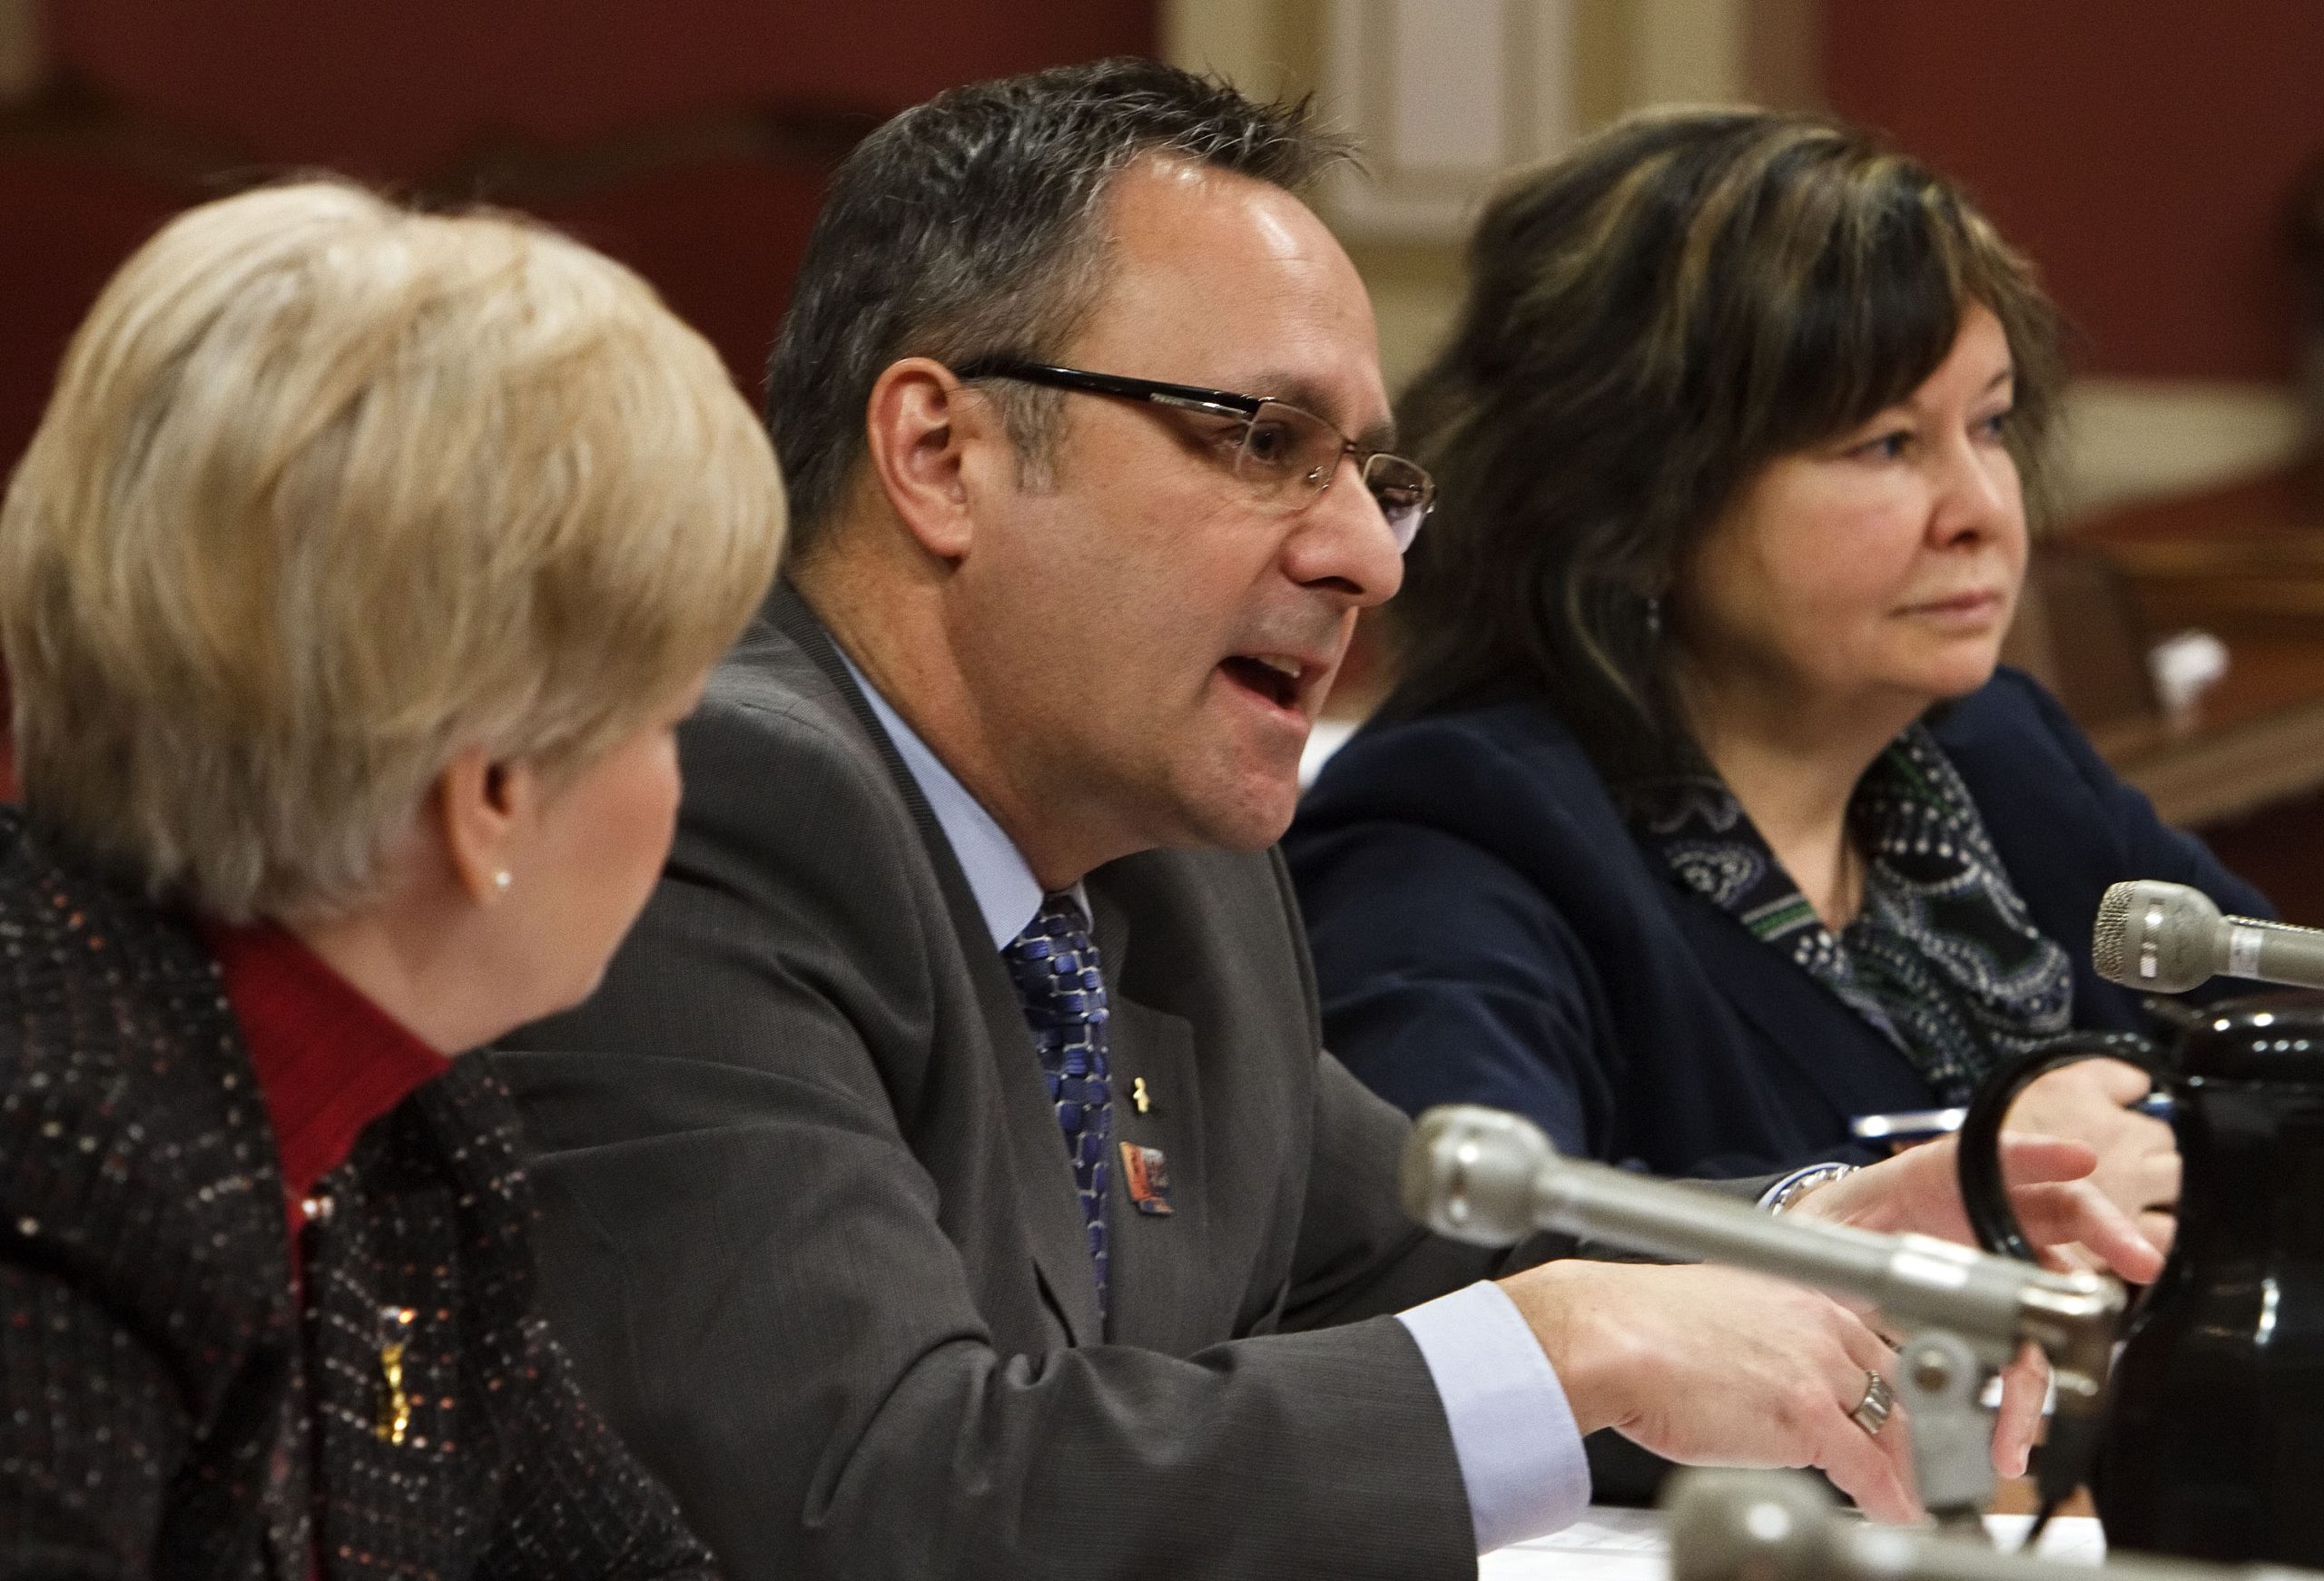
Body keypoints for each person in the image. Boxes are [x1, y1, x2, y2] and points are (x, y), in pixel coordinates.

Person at [494, 64, 2158, 1581]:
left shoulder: (1178, 870)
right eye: (1266, 441)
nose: (1368, 553)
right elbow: (882, 1490)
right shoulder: (703, 811)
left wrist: (1807, 1237)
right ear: (941, 449)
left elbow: (1414, 1261)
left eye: (1373, 472)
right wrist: (1576, 1339)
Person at [1285, 108, 2267, 1234]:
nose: (1982, 515)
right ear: (1638, 501)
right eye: (1885, 445)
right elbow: (1473, 1275)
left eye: (1990, 427)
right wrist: (1942, 1204)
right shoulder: (1452, 841)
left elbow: (2278, 1062)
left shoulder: (1992, 751)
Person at [0, 182, 786, 1574]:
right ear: (491, 793)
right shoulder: (60, 1159)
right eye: (668, 718)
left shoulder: (413, 1132)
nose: (681, 778)